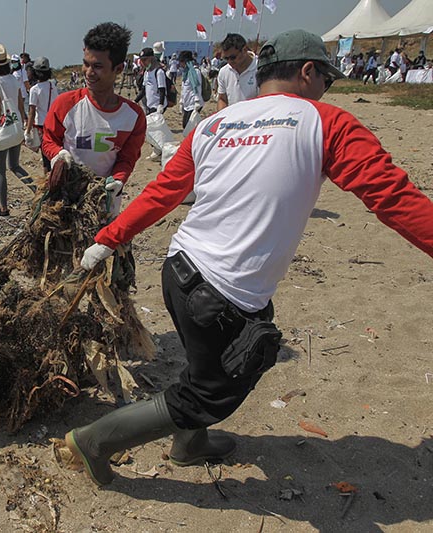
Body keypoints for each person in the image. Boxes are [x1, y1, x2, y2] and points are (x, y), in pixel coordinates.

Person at [66, 29, 433, 488]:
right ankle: (95, 441)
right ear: (307, 72)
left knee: (242, 339)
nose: (326, 90)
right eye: (327, 79)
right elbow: (392, 197)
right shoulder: (326, 123)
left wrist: (108, 238)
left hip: (180, 270)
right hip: (218, 291)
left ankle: (189, 443)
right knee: (212, 391)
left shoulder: (216, 124)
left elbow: (163, 193)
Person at [42, 22, 146, 218]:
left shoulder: (133, 117)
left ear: (118, 68)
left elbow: (127, 158)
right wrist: (59, 154)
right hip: (65, 200)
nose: (89, 72)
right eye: (86, 63)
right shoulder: (65, 104)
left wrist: (118, 179)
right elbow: (48, 140)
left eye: (97, 66)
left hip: (105, 200)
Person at [0, 43, 29, 217]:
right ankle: (37, 190)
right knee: (15, 165)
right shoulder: (13, 78)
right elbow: (19, 102)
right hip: (15, 126)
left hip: (1, 130)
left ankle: (3, 208)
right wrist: (23, 121)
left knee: (0, 170)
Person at [134, 46, 175, 160]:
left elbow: (162, 89)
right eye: (141, 60)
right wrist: (135, 101)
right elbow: (143, 90)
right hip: (150, 104)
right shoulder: (147, 72)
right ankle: (157, 149)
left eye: (145, 60)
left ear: (151, 58)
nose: (143, 62)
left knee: (154, 128)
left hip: (158, 105)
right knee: (151, 129)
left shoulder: (159, 72)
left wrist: (161, 105)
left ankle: (159, 150)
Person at [25, 56, 60, 173]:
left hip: (41, 124)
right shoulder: (52, 86)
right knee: (52, 150)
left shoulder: (34, 90)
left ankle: (47, 177)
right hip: (53, 123)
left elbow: (31, 112)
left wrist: (28, 129)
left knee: (45, 153)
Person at [216, 33, 258, 112]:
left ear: (244, 50)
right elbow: (222, 99)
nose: (229, 61)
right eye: (226, 58)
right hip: (232, 120)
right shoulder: (224, 72)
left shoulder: (260, 69)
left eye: (233, 57)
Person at [178, 50, 204, 129]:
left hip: (194, 103)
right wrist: (181, 102)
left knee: (189, 126)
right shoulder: (185, 73)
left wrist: (197, 101)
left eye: (181, 62)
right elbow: (184, 88)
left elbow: (197, 87)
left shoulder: (195, 71)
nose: (180, 64)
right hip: (187, 103)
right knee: (185, 125)